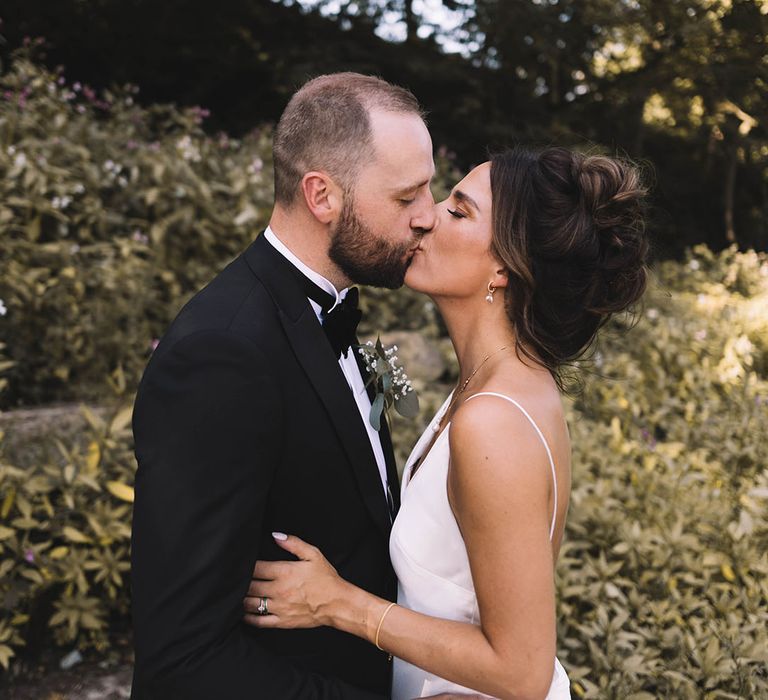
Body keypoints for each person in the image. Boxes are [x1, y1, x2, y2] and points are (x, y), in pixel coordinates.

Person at [243, 146, 650, 699]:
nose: (428, 216)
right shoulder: (505, 382)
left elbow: (522, 673)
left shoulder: (493, 422)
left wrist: (339, 603)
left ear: (506, 266)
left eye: (459, 212)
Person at [129, 73, 436, 699]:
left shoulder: (331, 305)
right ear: (322, 196)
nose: (429, 217)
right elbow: (182, 658)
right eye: (407, 198)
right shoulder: (223, 353)